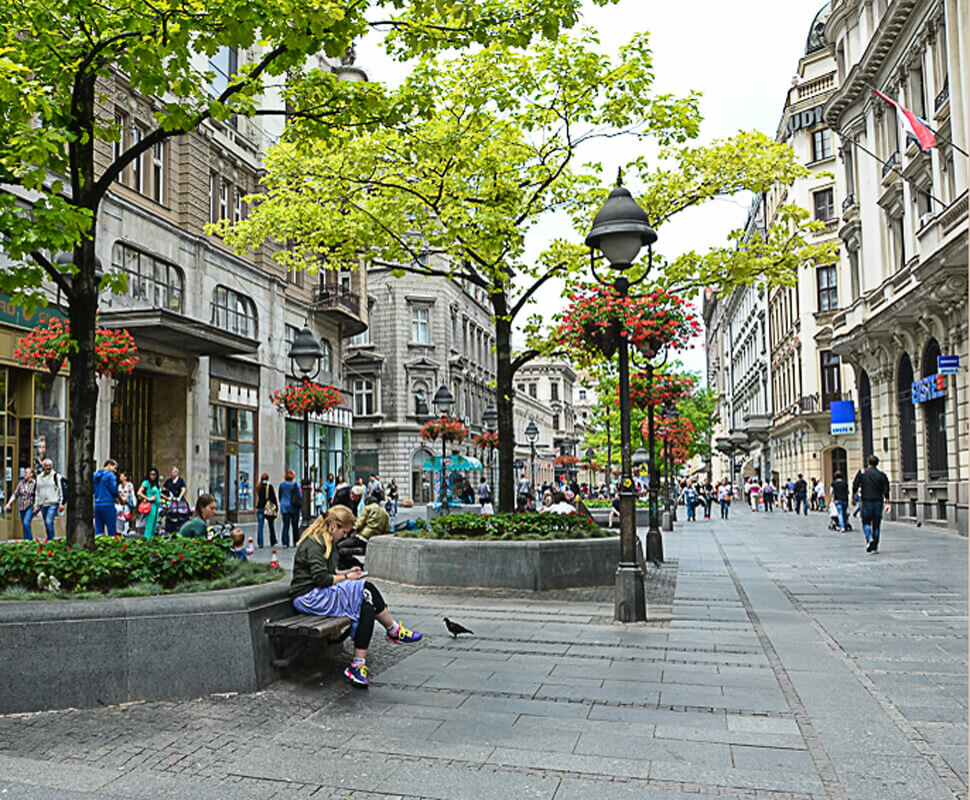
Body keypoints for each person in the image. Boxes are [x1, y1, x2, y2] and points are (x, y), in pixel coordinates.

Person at [290, 507, 423, 687]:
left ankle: (358, 664)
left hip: (320, 594)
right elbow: (322, 579)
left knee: (366, 606)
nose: (345, 537)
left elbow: (329, 574)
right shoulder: (315, 543)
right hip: (309, 597)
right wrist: (347, 578)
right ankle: (393, 629)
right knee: (365, 589)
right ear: (334, 526)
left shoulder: (326, 541)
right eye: (344, 532)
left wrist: (348, 572)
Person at [852, 455, 891, 553]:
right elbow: (886, 490)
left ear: (868, 462)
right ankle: (875, 546)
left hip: (866, 502)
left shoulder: (862, 473)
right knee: (876, 524)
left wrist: (853, 497)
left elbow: (855, 486)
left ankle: (869, 538)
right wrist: (887, 502)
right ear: (877, 463)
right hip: (878, 502)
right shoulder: (882, 475)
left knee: (866, 522)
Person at [34, 458, 65, 542]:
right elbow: (37, 492)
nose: (48, 467)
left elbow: (61, 489)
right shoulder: (39, 478)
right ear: (43, 466)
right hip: (43, 504)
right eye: (46, 465)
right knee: (46, 523)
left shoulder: (56, 476)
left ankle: (51, 540)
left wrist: (61, 503)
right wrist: (36, 505)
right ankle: (49, 538)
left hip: (53, 503)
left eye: (50, 465)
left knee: (48, 521)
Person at [4, 468, 36, 540]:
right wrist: (8, 503)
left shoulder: (35, 484)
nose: (25, 474)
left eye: (27, 473)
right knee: (24, 525)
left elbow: (38, 495)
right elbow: (15, 494)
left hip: (30, 507)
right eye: (24, 472)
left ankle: (30, 541)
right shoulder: (21, 484)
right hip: (22, 507)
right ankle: (26, 542)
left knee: (26, 523)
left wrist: (37, 507)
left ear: (31, 474)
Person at [93, 458, 121, 536]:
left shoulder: (95, 475)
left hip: (97, 504)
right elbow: (113, 489)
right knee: (111, 529)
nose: (115, 471)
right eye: (115, 468)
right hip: (108, 504)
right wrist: (118, 497)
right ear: (109, 465)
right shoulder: (110, 475)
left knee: (98, 530)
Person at [278, 469, 302, 548]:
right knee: (295, 526)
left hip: (284, 507)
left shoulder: (282, 485)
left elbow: (280, 495)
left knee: (285, 526)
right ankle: (295, 540)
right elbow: (299, 496)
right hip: (294, 507)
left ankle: (285, 542)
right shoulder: (296, 485)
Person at [137, 466, 163, 538]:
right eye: (151, 474)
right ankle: (147, 540)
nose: (152, 476)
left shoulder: (157, 483)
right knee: (149, 525)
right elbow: (139, 492)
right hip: (151, 505)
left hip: (157, 505)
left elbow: (159, 493)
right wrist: (148, 498)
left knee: (154, 526)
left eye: (154, 474)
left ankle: (151, 540)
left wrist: (167, 498)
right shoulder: (146, 483)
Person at [255, 473, 278, 548]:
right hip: (268, 507)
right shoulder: (269, 486)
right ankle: (273, 540)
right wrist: (276, 507)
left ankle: (260, 543)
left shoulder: (259, 486)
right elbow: (273, 498)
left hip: (260, 507)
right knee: (271, 525)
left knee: (260, 526)